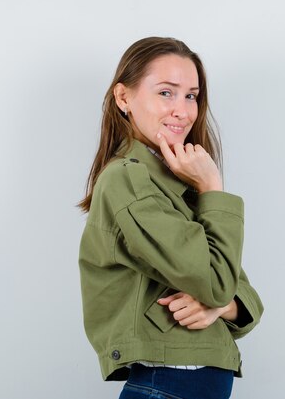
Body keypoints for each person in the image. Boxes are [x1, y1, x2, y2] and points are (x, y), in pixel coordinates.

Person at [77, 37, 264, 399]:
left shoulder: (176, 180)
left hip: (182, 385)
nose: (183, 110)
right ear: (123, 98)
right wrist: (212, 186)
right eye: (166, 93)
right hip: (169, 382)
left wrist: (222, 305)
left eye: (191, 96)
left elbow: (243, 294)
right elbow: (217, 280)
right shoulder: (128, 180)